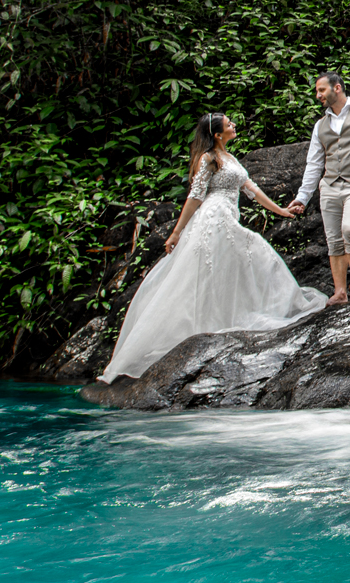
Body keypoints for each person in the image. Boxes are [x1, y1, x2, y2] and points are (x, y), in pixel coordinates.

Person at [98, 113, 323, 382]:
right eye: (229, 124)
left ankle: (229, 318)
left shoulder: (230, 158)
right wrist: (176, 232)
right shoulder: (208, 159)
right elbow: (195, 196)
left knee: (234, 267)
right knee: (225, 266)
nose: (234, 125)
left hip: (227, 216)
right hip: (214, 218)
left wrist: (281, 211)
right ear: (217, 134)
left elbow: (251, 189)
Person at [286, 71, 350, 305]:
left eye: (321, 90)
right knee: (333, 239)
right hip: (330, 186)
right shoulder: (320, 125)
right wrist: (302, 197)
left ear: (337, 88)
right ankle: (340, 291)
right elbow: (314, 164)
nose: (318, 95)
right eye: (317, 91)